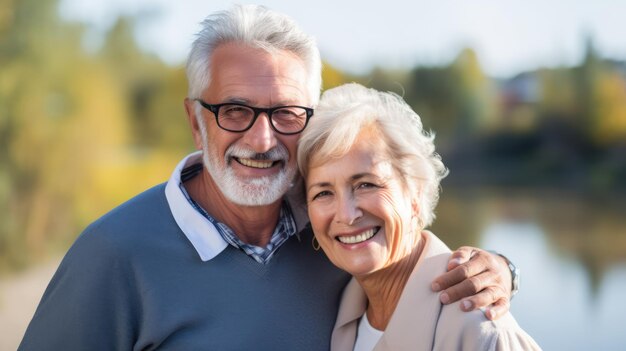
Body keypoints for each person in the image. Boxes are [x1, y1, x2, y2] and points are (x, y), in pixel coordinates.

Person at [20, 5, 516, 350]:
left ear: (311, 120)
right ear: (196, 121)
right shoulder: (113, 253)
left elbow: (417, 267)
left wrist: (501, 270)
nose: (261, 140)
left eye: (285, 113)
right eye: (235, 110)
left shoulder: (334, 233)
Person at [297, 83, 540, 350]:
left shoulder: (478, 331)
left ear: (415, 193)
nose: (346, 214)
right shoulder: (339, 313)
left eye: (366, 184)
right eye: (323, 193)